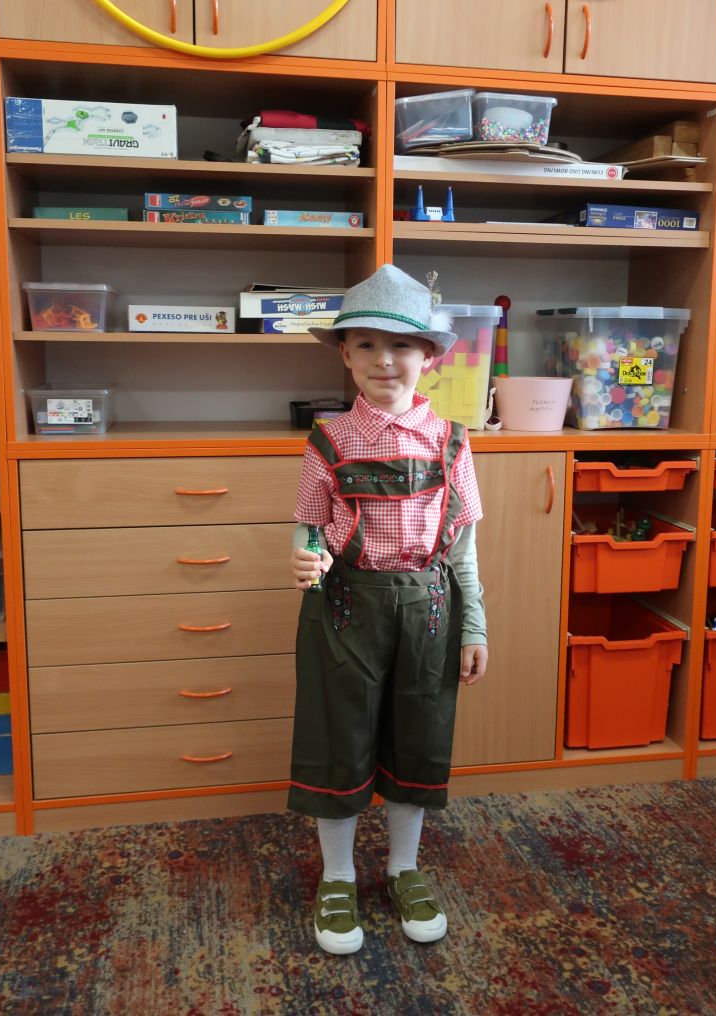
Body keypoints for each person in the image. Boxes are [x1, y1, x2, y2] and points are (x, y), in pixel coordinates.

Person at [288, 264, 488, 955]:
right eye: (366, 345)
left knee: (419, 737)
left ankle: (404, 867)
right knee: (338, 739)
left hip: (430, 610)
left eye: (401, 345)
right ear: (345, 356)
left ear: (429, 356)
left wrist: (474, 624)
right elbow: (310, 529)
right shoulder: (328, 441)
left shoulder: (454, 441)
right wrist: (304, 558)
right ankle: (338, 875)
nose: (383, 360)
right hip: (344, 609)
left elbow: (463, 549)